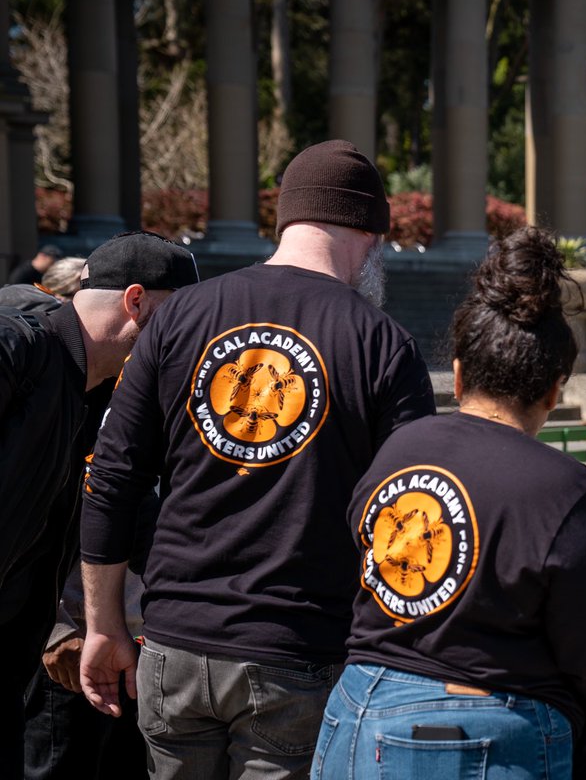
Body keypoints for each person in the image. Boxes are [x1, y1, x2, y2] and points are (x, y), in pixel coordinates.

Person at [78, 140, 436, 780]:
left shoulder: (179, 315)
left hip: (174, 646)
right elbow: (409, 519)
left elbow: (112, 478)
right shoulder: (383, 341)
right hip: (297, 653)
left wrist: (103, 624)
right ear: (368, 232)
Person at [313, 227, 586, 778]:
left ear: (459, 373)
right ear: (555, 391)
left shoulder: (398, 450)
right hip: (483, 725)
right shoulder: (564, 487)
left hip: (355, 709)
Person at [0, 231, 198, 777]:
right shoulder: (20, 341)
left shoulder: (97, 393)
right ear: (136, 303)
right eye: (179, 322)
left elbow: (128, 519)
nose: (188, 343)